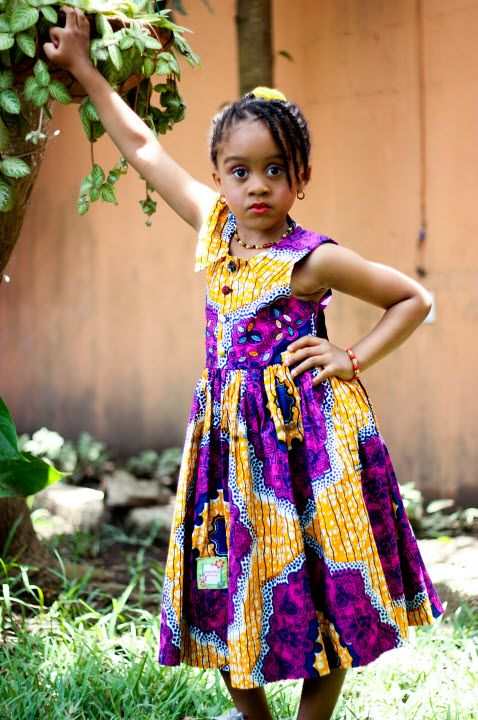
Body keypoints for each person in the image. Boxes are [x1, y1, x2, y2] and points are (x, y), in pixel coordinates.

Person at [44, 8, 444, 720]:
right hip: (227, 447)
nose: (257, 185)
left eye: (275, 171)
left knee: (327, 590)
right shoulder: (214, 228)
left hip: (309, 449)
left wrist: (350, 357)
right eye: (240, 171)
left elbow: (412, 299)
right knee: (223, 587)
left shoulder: (312, 259)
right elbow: (142, 146)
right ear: (218, 179)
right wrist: (81, 68)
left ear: (300, 179)